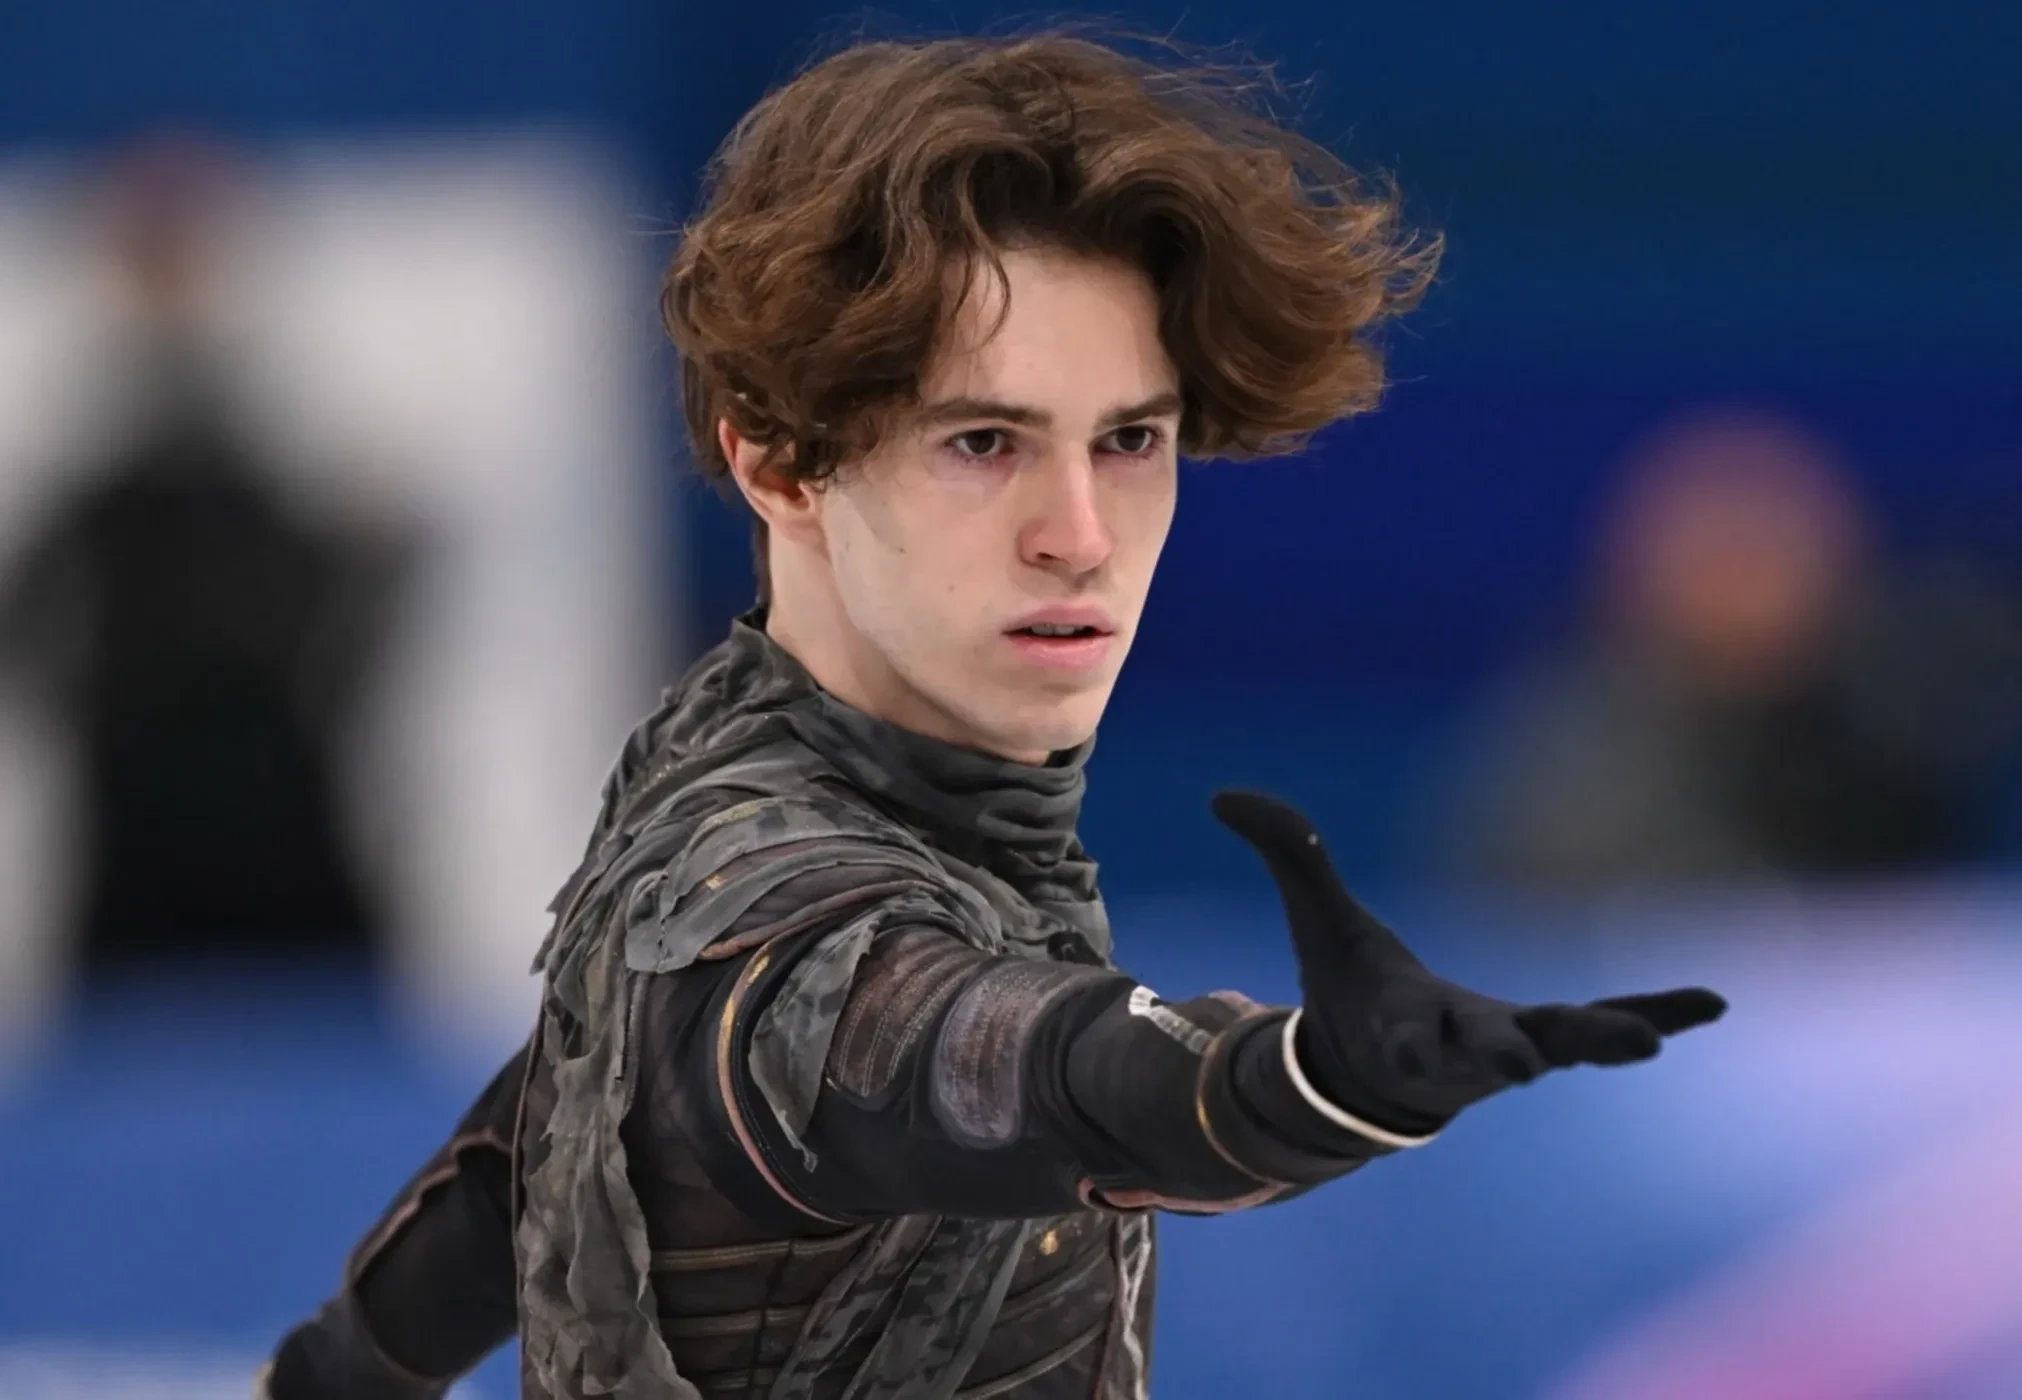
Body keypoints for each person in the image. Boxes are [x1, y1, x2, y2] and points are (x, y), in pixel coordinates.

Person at [260, 33, 1725, 1400]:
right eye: (982, 442)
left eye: (1129, 440)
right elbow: (981, 1057)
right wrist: (1284, 1082)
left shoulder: (718, 759)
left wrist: (337, 1371)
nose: (1078, 534)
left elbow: (576, 1112)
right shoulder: (779, 911)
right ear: (777, 465)